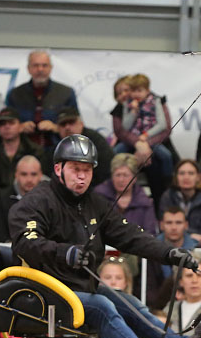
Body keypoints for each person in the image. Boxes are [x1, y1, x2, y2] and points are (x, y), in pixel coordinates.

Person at [9, 134, 193, 338]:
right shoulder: (36, 202)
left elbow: (131, 236)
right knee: (102, 306)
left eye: (87, 170)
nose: (82, 176)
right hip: (44, 293)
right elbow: (26, 242)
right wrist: (66, 253)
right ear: (58, 168)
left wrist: (169, 253)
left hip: (82, 287)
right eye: (76, 169)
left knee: (130, 304)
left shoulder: (95, 203)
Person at [113, 73, 174, 202]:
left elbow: (165, 128)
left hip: (151, 142)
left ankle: (169, 188)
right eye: (119, 93)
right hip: (132, 145)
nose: (125, 95)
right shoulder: (127, 105)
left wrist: (146, 141)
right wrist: (133, 112)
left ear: (147, 90)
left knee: (165, 158)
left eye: (126, 90)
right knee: (115, 154)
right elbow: (122, 130)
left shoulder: (156, 101)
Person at [5, 50, 78, 148]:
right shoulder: (15, 94)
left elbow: (77, 127)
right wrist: (20, 127)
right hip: (23, 150)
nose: (40, 69)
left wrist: (56, 128)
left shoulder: (66, 93)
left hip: (57, 149)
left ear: (51, 68)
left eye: (44, 65)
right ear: (28, 68)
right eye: (35, 65)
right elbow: (5, 126)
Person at [93, 153, 158, 234]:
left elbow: (150, 232)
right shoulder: (99, 196)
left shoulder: (145, 203)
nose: (121, 180)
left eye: (125, 175)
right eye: (117, 175)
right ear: (112, 176)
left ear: (135, 178)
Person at [0, 107, 44, 192]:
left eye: (11, 123)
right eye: (2, 124)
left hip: (29, 198)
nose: (7, 127)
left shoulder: (35, 151)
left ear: (20, 126)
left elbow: (41, 181)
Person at [0, 154, 44, 242]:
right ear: (16, 175)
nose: (29, 179)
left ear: (40, 175)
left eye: (33, 174)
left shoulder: (50, 199)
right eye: (24, 174)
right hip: (9, 250)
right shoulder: (0, 199)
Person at [159, 159, 201, 245]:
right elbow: (164, 226)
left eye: (191, 173)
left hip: (199, 247)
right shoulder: (167, 197)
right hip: (170, 245)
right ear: (176, 177)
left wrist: (184, 234)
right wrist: (189, 235)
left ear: (198, 177)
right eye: (182, 173)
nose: (186, 177)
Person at [52, 108, 112, 185]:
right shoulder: (57, 145)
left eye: (71, 122)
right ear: (58, 129)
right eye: (63, 124)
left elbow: (106, 168)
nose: (67, 127)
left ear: (81, 124)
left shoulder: (95, 140)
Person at [166, 260, 201, 334]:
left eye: (199, 275)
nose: (194, 280)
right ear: (180, 281)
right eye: (189, 276)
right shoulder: (170, 308)